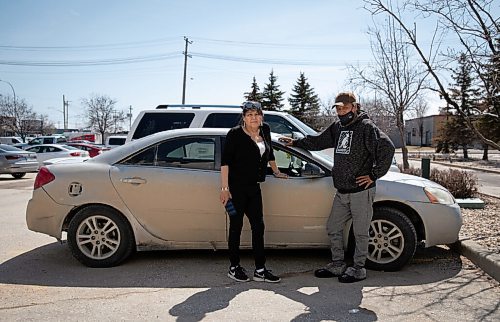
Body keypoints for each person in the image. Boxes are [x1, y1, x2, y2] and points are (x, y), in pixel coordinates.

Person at [280, 92, 395, 283]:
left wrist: (374, 174)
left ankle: (358, 268)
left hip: (361, 192)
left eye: (345, 107)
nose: (341, 111)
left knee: (360, 233)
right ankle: (338, 264)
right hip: (342, 192)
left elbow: (387, 147)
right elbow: (318, 141)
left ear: (354, 107)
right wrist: (296, 142)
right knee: (333, 227)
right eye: (338, 108)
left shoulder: (366, 127)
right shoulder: (338, 127)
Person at [220, 101, 288, 283]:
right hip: (235, 190)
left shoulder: (264, 129)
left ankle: (260, 269)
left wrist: (276, 171)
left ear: (262, 116)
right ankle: (234, 267)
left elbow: (270, 153)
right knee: (236, 227)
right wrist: (225, 189)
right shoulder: (234, 134)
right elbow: (225, 163)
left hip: (254, 188)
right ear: (243, 117)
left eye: (257, 114)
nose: (254, 118)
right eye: (249, 115)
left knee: (258, 227)